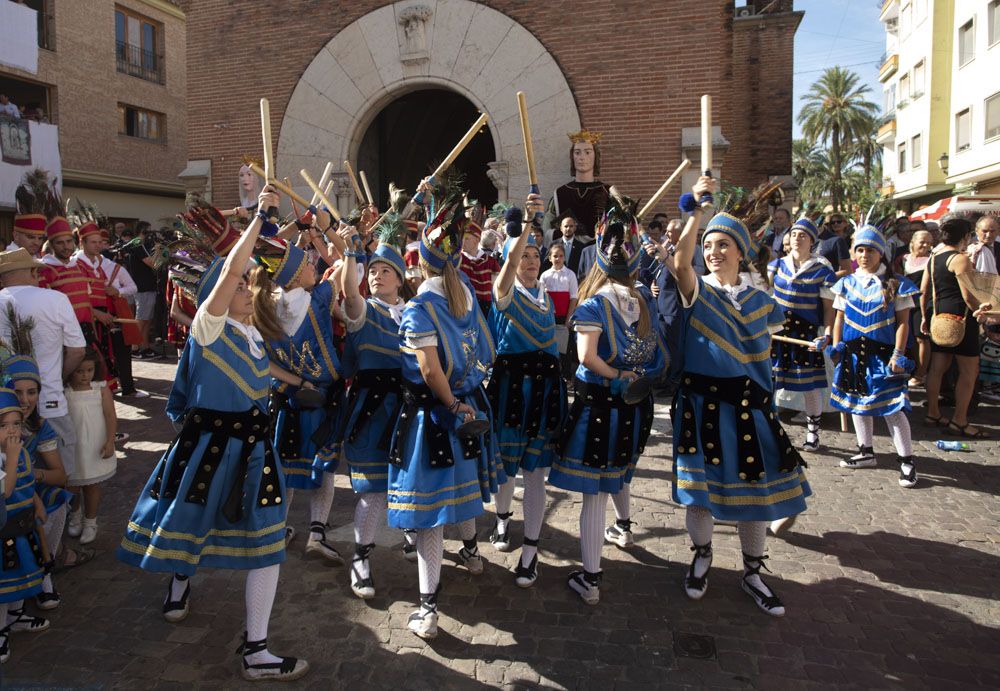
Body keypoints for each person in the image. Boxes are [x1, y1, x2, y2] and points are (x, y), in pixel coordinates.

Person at [117, 185, 310, 682]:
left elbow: (275, 278)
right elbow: (231, 269)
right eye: (242, 285)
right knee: (190, 524)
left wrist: (291, 229)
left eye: (249, 284)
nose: (249, 287)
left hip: (254, 449)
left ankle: (257, 650)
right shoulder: (210, 325)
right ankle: (179, 584)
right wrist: (258, 215)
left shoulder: (254, 336)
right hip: (208, 447)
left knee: (268, 545)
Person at [671, 177, 809, 617]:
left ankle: (752, 570)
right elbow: (679, 262)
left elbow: (765, 356)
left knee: (755, 493)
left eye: (723, 244)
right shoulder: (698, 291)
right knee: (701, 492)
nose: (713, 251)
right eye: (708, 245)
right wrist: (697, 213)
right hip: (701, 404)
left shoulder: (762, 301)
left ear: (741, 252)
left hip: (750, 406)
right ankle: (702, 554)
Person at [389, 190, 500, 639]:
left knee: (430, 510)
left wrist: (451, 403)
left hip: (435, 415)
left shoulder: (419, 308)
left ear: (418, 262)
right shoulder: (466, 296)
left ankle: (427, 606)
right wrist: (465, 400)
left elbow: (430, 369)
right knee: (465, 485)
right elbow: (487, 348)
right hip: (470, 405)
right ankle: (472, 553)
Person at [548, 190, 667, 606]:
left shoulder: (595, 304)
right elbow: (659, 356)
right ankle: (626, 526)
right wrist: (635, 375)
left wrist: (617, 373)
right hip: (634, 406)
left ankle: (591, 577)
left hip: (599, 404)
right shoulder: (644, 300)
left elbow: (586, 358)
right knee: (619, 469)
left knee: (594, 490)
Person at [486, 198, 565, 589]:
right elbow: (503, 279)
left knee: (535, 473)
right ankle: (502, 522)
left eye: (535, 255)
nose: (530, 261)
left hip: (544, 389)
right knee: (505, 466)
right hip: (510, 387)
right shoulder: (506, 291)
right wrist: (527, 224)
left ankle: (530, 551)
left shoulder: (546, 295)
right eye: (524, 256)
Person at [252, 237, 344, 562]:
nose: (313, 265)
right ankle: (317, 534)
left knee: (284, 467)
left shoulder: (262, 308)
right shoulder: (319, 299)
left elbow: (265, 364)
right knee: (325, 466)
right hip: (323, 397)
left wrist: (296, 380)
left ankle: (278, 532)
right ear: (293, 275)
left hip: (287, 397)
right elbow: (347, 263)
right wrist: (323, 233)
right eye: (306, 263)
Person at [338, 215, 410, 598]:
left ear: (400, 279)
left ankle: (414, 531)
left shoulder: (415, 312)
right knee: (372, 490)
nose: (378, 276)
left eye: (387, 271)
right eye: (374, 271)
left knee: (410, 481)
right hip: (370, 409)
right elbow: (349, 291)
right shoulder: (363, 310)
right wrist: (351, 251)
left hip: (409, 409)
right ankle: (361, 557)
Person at [829, 225, 920, 488]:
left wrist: (898, 354)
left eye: (870, 250)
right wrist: (836, 345)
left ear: (881, 253)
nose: (864, 254)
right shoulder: (845, 283)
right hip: (853, 354)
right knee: (858, 403)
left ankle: (907, 460)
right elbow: (839, 318)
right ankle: (865, 451)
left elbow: (903, 323)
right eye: (859, 249)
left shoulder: (896, 284)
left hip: (882, 355)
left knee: (893, 407)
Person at [0, 249, 86, 523]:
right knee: (62, 468)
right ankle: (65, 529)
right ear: (28, 272)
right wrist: (54, 379)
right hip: (48, 398)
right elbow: (77, 350)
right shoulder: (55, 299)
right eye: (35, 271)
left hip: (4, 407)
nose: (39, 276)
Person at [5, 353, 79, 611]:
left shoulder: (41, 428)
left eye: (32, 392)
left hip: (27, 489)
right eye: (18, 392)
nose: (25, 401)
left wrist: (30, 474)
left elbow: (60, 475)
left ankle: (43, 575)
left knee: (56, 501)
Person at [768, 218, 836, 453]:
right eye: (794, 234)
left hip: (805, 334)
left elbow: (829, 309)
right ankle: (769, 431)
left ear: (812, 241)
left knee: (809, 385)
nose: (797, 238)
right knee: (770, 382)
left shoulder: (823, 269)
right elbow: (767, 299)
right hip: (777, 332)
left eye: (803, 235)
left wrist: (827, 335)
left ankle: (813, 434)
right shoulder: (776, 265)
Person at [921, 216, 988, 439]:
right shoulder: (960, 259)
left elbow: (924, 290)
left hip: (939, 317)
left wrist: (924, 316)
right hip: (961, 318)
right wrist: (982, 311)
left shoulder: (934, 257)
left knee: (937, 367)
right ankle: (959, 420)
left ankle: (933, 413)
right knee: (969, 371)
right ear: (966, 237)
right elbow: (969, 295)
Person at [0, 386, 51, 665]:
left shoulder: (22, 455)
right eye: (3, 425)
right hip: (3, 532)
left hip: (23, 525)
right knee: (3, 585)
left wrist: (36, 503)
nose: (11, 431)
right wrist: (13, 457)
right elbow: (5, 491)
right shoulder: (5, 458)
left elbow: (26, 482)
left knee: (24, 571)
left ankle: (17, 616)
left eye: (16, 424)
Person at [63, 348, 117, 544]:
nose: (85, 375)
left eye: (89, 370)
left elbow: (110, 415)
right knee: (73, 485)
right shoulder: (65, 391)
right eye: (80, 371)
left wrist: (110, 440)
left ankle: (91, 521)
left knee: (92, 485)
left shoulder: (100, 389)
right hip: (73, 446)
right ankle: (75, 516)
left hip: (94, 443)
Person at [544, 130, 611, 242]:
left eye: (588, 152)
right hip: (566, 253)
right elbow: (546, 228)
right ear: (572, 156)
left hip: (597, 252)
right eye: (577, 152)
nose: (582, 157)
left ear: (595, 156)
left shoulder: (606, 191)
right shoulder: (561, 193)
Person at [121, 222, 162, 359]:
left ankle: (145, 347)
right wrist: (162, 255)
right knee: (141, 319)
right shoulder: (137, 244)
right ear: (141, 231)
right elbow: (152, 263)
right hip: (142, 286)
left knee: (147, 319)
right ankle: (134, 348)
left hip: (148, 286)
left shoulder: (144, 245)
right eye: (147, 231)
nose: (150, 234)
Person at [540, 242, 579, 382]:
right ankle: (550, 373)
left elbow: (573, 298)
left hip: (564, 317)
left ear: (564, 258)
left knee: (565, 349)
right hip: (549, 317)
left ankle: (566, 376)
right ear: (550, 258)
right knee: (549, 346)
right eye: (555, 256)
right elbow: (542, 298)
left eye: (561, 256)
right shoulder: (544, 275)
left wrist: (569, 318)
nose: (558, 259)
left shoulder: (570, 275)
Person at [903, 229, 933, 386]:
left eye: (929, 242)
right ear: (913, 243)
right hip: (905, 303)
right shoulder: (903, 259)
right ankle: (913, 369)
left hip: (922, 302)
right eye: (922, 241)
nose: (926, 245)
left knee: (922, 338)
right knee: (911, 338)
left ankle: (921, 373)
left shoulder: (931, 261)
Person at [459, 217, 500, 316]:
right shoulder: (458, 260)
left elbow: (497, 290)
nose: (462, 241)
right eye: (462, 238)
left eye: (467, 238)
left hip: (485, 310)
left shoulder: (491, 263)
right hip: (463, 308)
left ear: (477, 239)